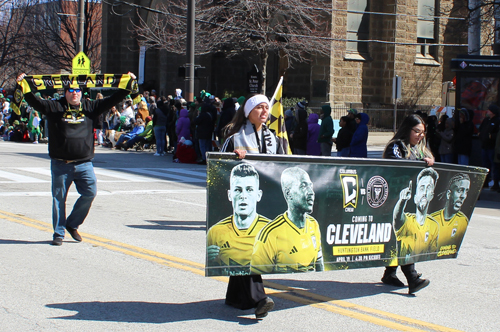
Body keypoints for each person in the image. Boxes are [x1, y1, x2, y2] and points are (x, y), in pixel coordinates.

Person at [17, 72, 136, 246]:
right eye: (71, 90)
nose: (74, 93)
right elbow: (35, 101)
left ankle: (72, 224)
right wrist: (24, 85)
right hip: (60, 164)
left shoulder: (90, 107)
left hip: (84, 163)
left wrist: (128, 83)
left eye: (77, 90)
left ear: (82, 92)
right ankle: (58, 233)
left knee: (90, 193)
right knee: (59, 199)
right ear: (66, 92)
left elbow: (113, 99)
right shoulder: (55, 107)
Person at [220, 94, 284, 319]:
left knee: (249, 248)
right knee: (248, 248)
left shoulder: (274, 138)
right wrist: (234, 157)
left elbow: (280, 165)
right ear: (248, 112)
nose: (265, 111)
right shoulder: (235, 137)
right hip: (241, 202)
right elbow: (218, 165)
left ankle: (237, 297)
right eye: (259, 108)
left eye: (267, 108)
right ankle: (259, 299)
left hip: (264, 200)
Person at [380, 113, 435, 294]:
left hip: (409, 202)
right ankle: (412, 278)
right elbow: (397, 163)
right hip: (393, 200)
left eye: (422, 133)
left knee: (398, 239)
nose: (420, 135)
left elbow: (428, 163)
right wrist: (420, 163)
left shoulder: (419, 149)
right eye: (417, 131)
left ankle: (390, 273)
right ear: (408, 129)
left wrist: (429, 161)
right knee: (405, 239)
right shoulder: (396, 146)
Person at [251, 166, 324, 273]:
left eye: (311, 186)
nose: (311, 192)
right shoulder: (270, 234)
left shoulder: (313, 224)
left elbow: (319, 264)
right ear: (288, 193)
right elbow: (256, 278)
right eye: (303, 186)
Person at [431, 173, 470, 255]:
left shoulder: (463, 220)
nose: (463, 196)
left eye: (466, 191)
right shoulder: (432, 220)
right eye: (459, 191)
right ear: (449, 194)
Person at [479, 104, 500, 189]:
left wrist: (490, 136)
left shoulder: (497, 121)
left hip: (493, 147)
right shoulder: (486, 120)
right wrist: (481, 135)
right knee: (485, 165)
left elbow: (497, 134)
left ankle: (495, 183)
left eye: (489, 110)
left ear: (493, 112)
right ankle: (485, 182)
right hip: (485, 146)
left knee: (494, 165)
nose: (487, 111)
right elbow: (481, 129)